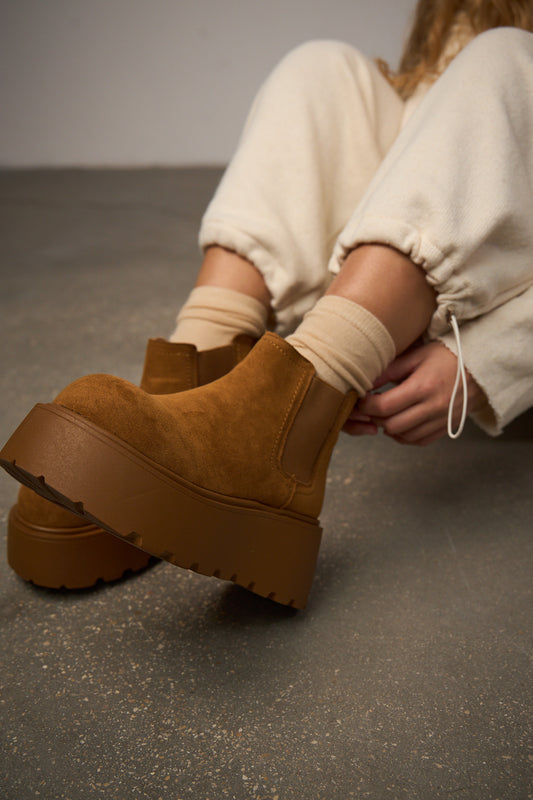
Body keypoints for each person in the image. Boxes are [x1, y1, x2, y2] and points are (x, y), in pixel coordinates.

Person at [2, 0, 533, 607]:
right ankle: (198, 370)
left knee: (508, 57)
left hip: (501, 319)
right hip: (425, 288)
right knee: (324, 70)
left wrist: (489, 358)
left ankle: (283, 422)